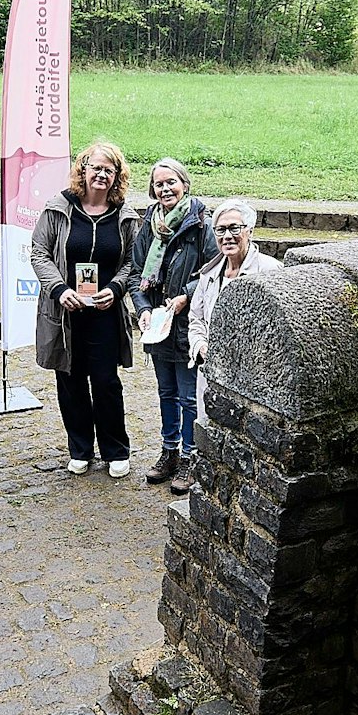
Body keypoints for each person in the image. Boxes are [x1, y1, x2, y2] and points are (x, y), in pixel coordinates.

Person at [30, 142, 141, 478]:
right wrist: (59, 289)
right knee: (70, 379)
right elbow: (39, 253)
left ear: (117, 177)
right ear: (83, 169)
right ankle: (80, 448)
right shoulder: (58, 208)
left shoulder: (125, 216)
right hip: (66, 313)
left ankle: (115, 450)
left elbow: (131, 262)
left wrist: (116, 288)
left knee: (106, 382)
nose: (101, 175)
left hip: (105, 313)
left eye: (110, 170)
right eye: (96, 167)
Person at [127, 158, 210, 495]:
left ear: (184, 184)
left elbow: (212, 270)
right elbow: (136, 274)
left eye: (171, 182)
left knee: (189, 397)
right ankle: (170, 451)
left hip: (187, 323)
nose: (165, 189)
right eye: (159, 184)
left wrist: (185, 297)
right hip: (159, 325)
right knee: (166, 392)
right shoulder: (149, 224)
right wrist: (144, 309)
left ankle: (191, 457)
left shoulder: (201, 224)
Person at [189, 198, 282, 413]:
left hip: (254, 376)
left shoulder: (271, 271)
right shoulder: (209, 273)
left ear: (249, 231)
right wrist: (200, 346)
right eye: (220, 230)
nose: (227, 236)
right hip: (213, 369)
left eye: (234, 228)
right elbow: (196, 319)